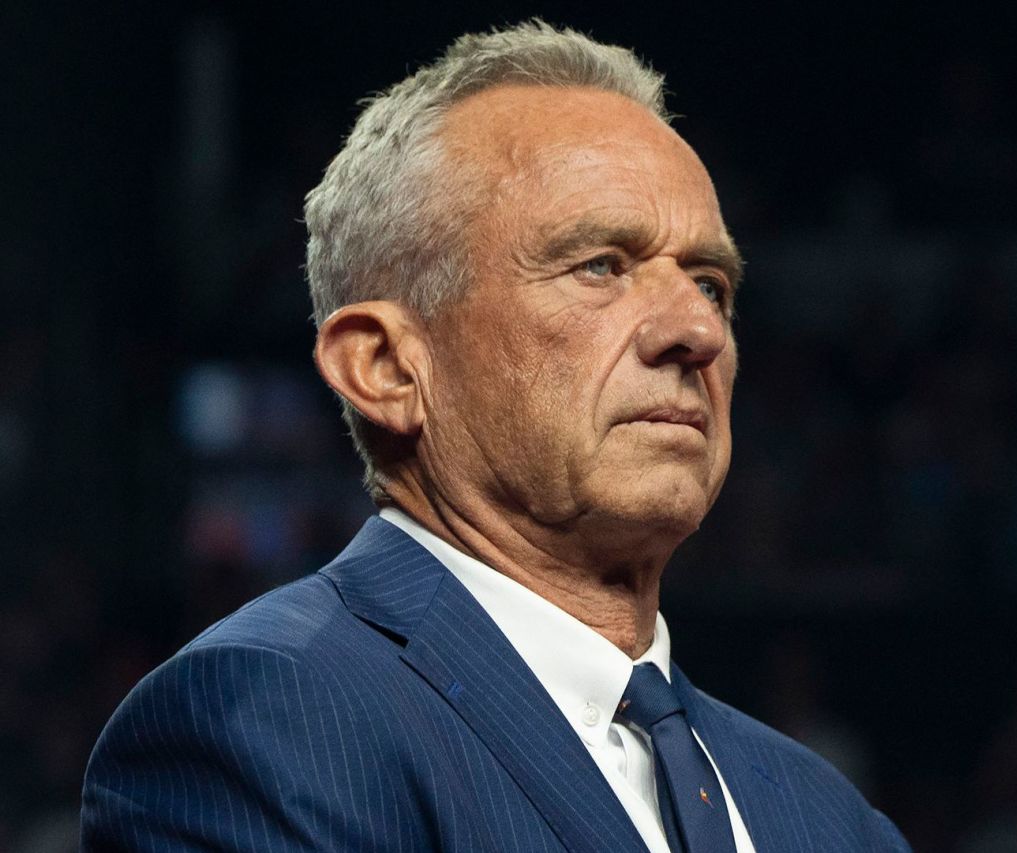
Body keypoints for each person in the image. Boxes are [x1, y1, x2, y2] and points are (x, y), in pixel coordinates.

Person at [81, 21, 909, 852]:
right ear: (387, 368)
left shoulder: (827, 815)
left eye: (710, 281)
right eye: (601, 265)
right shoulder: (263, 722)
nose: (698, 329)